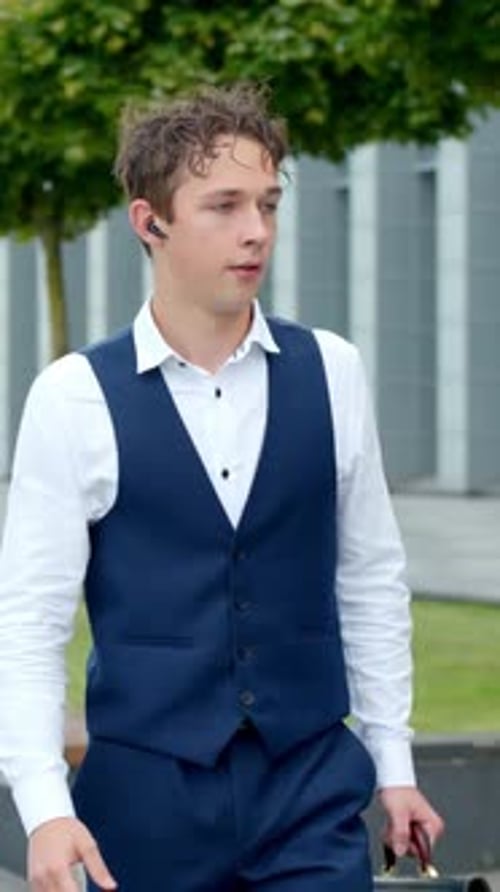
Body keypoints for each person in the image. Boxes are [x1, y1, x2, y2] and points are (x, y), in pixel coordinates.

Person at [0, 82, 443, 892]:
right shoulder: (73, 397)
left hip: (310, 792)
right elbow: (29, 621)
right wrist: (44, 807)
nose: (257, 231)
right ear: (150, 222)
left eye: (268, 204)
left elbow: (371, 581)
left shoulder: (332, 371)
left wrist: (394, 765)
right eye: (225, 206)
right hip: (142, 804)